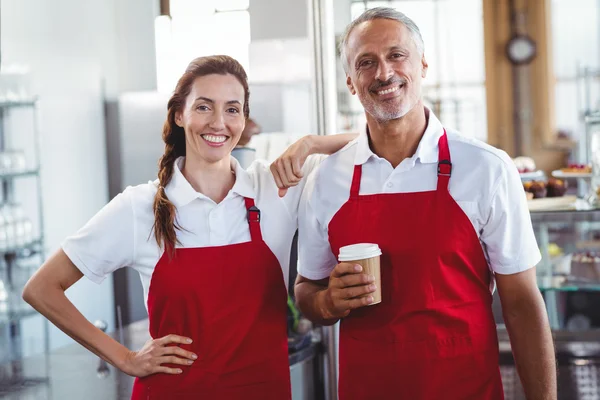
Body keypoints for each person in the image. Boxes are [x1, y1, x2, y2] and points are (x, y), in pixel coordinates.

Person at [22, 55, 355, 400]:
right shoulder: (139, 207)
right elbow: (42, 288)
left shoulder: (274, 190)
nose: (218, 122)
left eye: (232, 109)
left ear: (244, 119)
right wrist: (125, 357)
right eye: (204, 107)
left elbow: (373, 141)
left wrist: (310, 143)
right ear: (179, 114)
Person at [294, 8, 556, 400]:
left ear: (423, 65)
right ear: (351, 82)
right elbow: (306, 289)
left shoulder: (485, 168)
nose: (383, 73)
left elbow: (520, 303)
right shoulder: (326, 179)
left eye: (397, 55)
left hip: (465, 387)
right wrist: (327, 302)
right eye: (366, 62)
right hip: (367, 388)